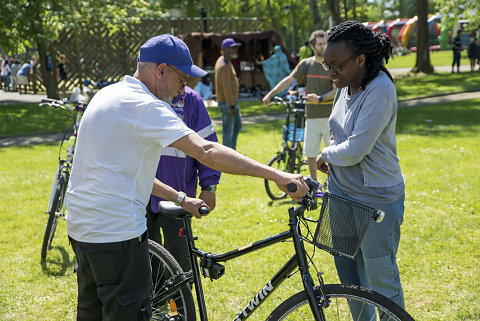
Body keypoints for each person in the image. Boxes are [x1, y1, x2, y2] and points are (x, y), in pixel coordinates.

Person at [66, 34, 308, 321]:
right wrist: (277, 175)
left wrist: (181, 198)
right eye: (182, 80)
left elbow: (126, 174)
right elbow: (206, 150)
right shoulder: (146, 105)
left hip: (82, 231)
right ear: (161, 71)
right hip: (116, 236)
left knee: (91, 313)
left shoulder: (107, 94)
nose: (183, 90)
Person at [316, 21, 406, 316]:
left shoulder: (380, 89)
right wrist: (331, 148)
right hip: (341, 195)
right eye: (326, 64)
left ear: (361, 60)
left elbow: (356, 149)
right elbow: (336, 129)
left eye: (337, 65)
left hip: (375, 197)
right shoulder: (345, 85)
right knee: (350, 280)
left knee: (382, 281)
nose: (331, 72)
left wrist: (326, 154)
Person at [146, 85, 221, 272]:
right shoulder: (140, 97)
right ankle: (151, 298)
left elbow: (207, 144)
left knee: (179, 256)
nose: (180, 86)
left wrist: (209, 186)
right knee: (143, 251)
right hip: (141, 192)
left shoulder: (191, 100)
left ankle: (179, 300)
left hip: (178, 197)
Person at [263, 30, 337, 183]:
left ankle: (334, 184)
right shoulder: (306, 64)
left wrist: (320, 98)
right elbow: (289, 80)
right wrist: (271, 93)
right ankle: (314, 184)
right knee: (310, 153)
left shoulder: (332, 65)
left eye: (325, 43)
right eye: (320, 44)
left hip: (331, 117)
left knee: (333, 153)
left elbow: (338, 89)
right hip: (310, 116)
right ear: (312, 46)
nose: (323, 47)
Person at [214, 38, 242, 150]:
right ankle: (228, 158)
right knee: (228, 132)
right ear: (225, 50)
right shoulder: (224, 65)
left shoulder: (224, 60)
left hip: (229, 102)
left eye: (236, 47)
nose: (236, 50)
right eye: (233, 48)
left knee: (236, 127)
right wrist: (231, 106)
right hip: (228, 104)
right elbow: (227, 88)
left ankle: (232, 152)